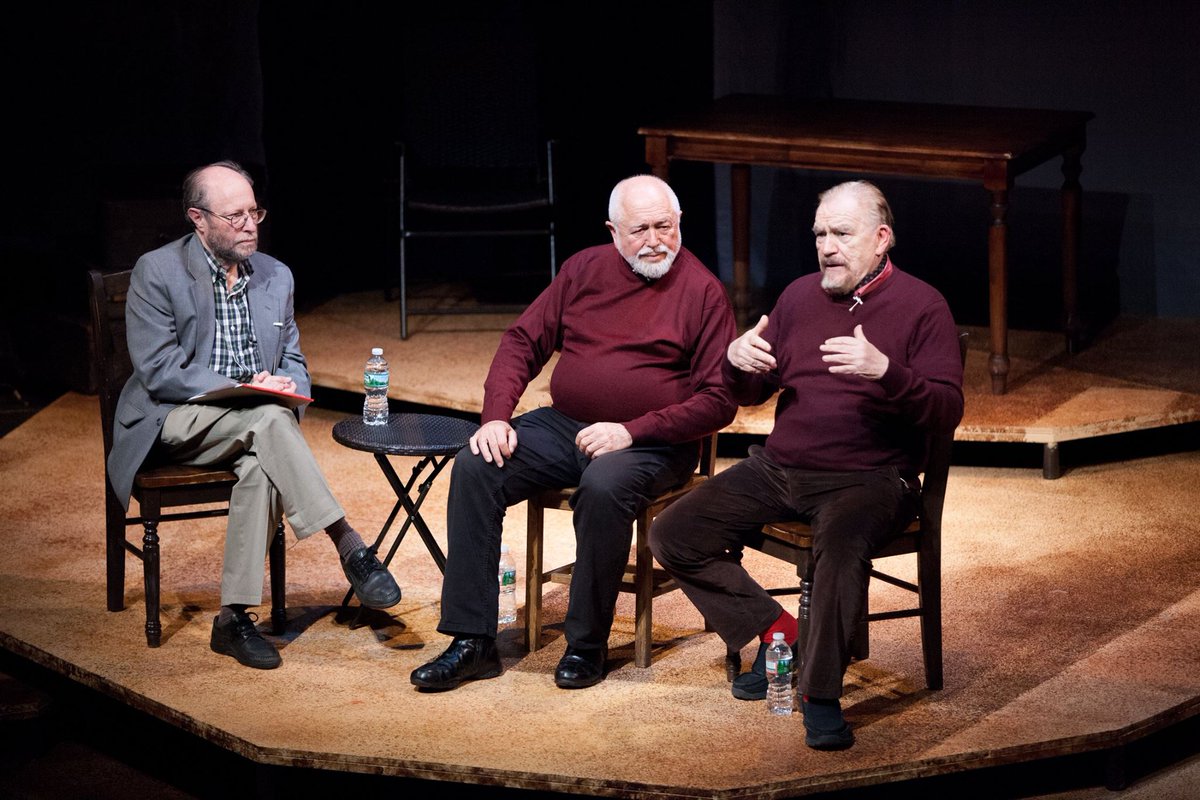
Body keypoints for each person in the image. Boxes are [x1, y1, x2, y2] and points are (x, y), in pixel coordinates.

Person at [650, 180, 964, 749]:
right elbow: (751, 393)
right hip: (780, 467)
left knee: (838, 551)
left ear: (881, 239)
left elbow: (947, 411)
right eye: (820, 234)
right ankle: (780, 634)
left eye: (842, 233)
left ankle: (820, 694)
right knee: (674, 532)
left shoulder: (923, 306)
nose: (826, 246)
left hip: (869, 476)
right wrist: (736, 362)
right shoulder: (797, 297)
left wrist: (886, 372)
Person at [409, 174, 738, 691]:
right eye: (640, 230)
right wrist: (495, 416)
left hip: (653, 442)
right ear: (613, 231)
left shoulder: (703, 292)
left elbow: (719, 400)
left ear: (680, 223)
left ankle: (586, 644)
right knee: (476, 463)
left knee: (604, 486)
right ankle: (472, 641)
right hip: (565, 425)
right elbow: (523, 341)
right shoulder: (584, 268)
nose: (655, 241)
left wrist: (631, 431)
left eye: (665, 226)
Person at [106, 160, 401, 670]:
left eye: (254, 212)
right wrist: (245, 389)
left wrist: (287, 388)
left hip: (251, 422)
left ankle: (233, 618)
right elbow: (160, 371)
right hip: (173, 416)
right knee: (268, 420)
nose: (250, 225)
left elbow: (293, 361)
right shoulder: (158, 271)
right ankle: (348, 543)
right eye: (235, 216)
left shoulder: (276, 275)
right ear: (198, 219)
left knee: (262, 459)